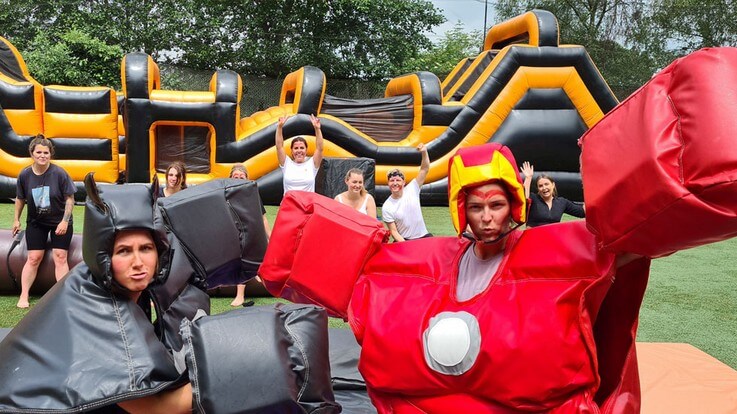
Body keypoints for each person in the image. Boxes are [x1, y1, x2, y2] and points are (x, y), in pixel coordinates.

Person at [261, 143, 652, 412]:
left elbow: (627, 246)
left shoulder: (552, 253)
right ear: (461, 210)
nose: (486, 216)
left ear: (513, 204)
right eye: (477, 206)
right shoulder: (432, 259)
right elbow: (373, 275)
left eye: (496, 205)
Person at [12, 135, 76, 308]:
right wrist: (16, 220)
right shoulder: (25, 174)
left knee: (60, 256)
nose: (42, 155)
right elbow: (20, 199)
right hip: (36, 222)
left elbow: (70, 199)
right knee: (34, 257)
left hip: (59, 221)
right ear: (32, 154)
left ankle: (65, 296)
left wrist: (64, 221)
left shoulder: (59, 173)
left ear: (51, 154)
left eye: (46, 152)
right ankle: (24, 295)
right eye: (38, 152)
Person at [228, 163, 272, 307]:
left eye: (242, 177)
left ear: (247, 179)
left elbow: (262, 217)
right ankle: (241, 292)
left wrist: (269, 236)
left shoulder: (251, 194)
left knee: (257, 246)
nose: (239, 180)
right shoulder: (226, 194)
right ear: (230, 179)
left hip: (250, 232)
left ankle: (256, 273)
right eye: (236, 177)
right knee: (241, 249)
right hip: (233, 233)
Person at [381, 143, 430, 241]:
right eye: (392, 180)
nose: (395, 183)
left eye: (398, 180)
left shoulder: (413, 188)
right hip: (404, 240)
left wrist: (424, 152)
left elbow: (424, 169)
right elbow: (394, 232)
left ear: (404, 183)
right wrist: (407, 246)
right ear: (388, 183)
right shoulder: (387, 206)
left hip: (423, 237)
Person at [520, 161, 585, 227]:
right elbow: (524, 198)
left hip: (552, 236)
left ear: (553, 185)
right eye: (540, 186)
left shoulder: (562, 202)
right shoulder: (534, 199)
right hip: (534, 236)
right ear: (538, 189)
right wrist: (528, 178)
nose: (544, 188)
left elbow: (582, 212)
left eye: (546, 184)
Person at [275, 114, 324, 194]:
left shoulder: (312, 164)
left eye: (302, 148)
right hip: (290, 204)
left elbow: (320, 148)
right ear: (291, 151)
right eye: (296, 148)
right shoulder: (286, 163)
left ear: (306, 150)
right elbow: (279, 147)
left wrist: (317, 129)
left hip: (307, 205)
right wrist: (279, 127)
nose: (299, 151)